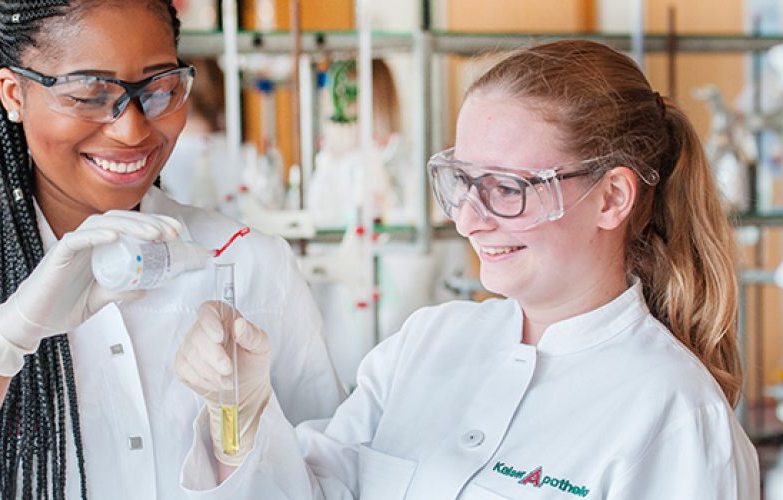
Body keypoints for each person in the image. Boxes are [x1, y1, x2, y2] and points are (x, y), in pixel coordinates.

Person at [174, 39, 760, 499]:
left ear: (611, 198)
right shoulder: (427, 343)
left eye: (507, 188)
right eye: (461, 181)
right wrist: (238, 416)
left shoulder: (675, 413)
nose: (468, 219)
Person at [0, 1, 343, 498]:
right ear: (13, 94)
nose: (131, 129)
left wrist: (241, 439)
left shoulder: (251, 266)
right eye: (89, 94)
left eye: (159, 88)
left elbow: (334, 484)